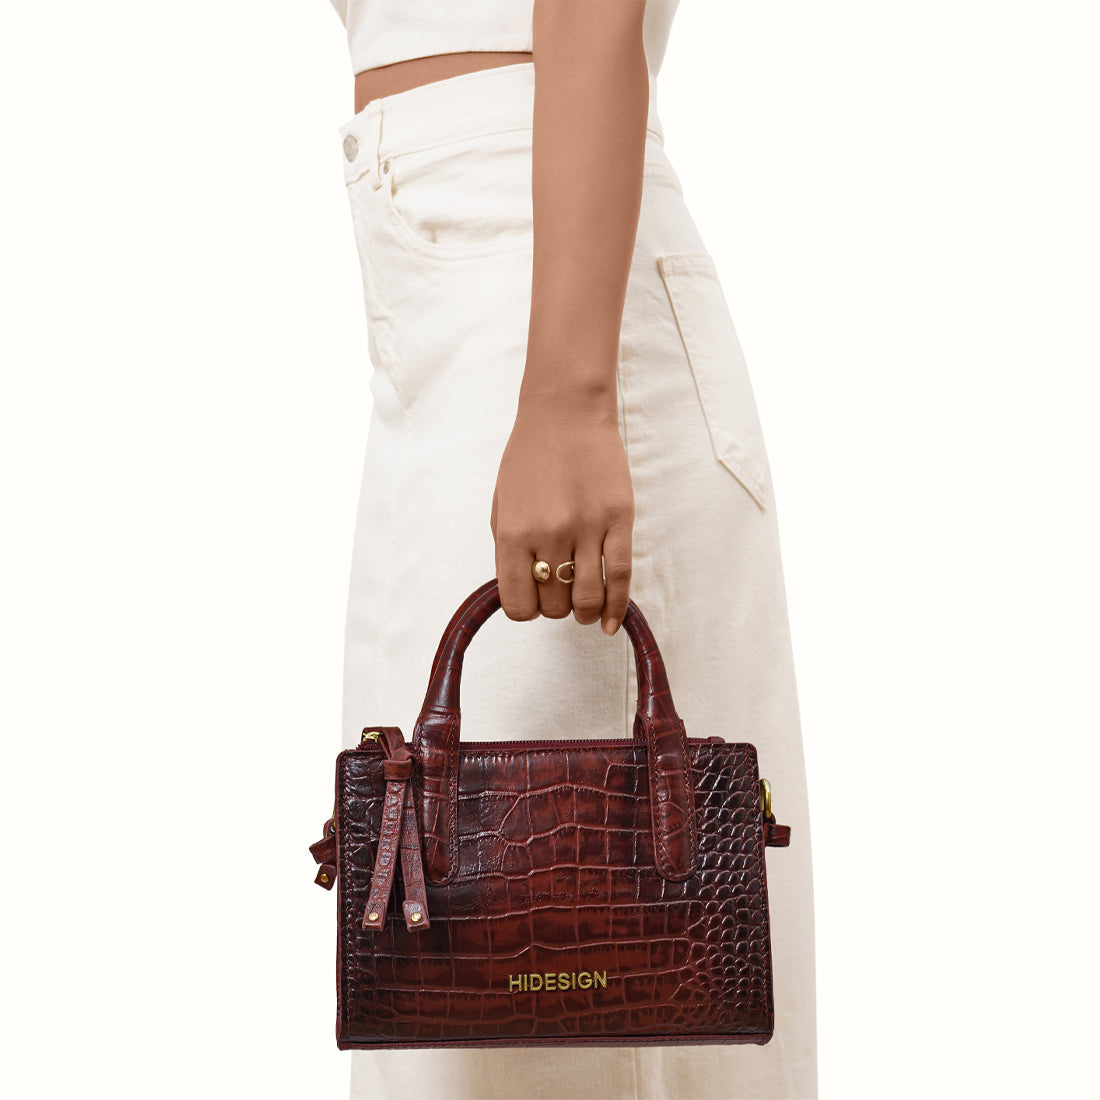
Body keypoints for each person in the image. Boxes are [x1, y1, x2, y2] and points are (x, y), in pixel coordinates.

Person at [324, 2, 817, 1097]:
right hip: (456, 310)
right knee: (453, 1023)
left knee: (545, 1020)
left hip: (551, 298)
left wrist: (568, 393)